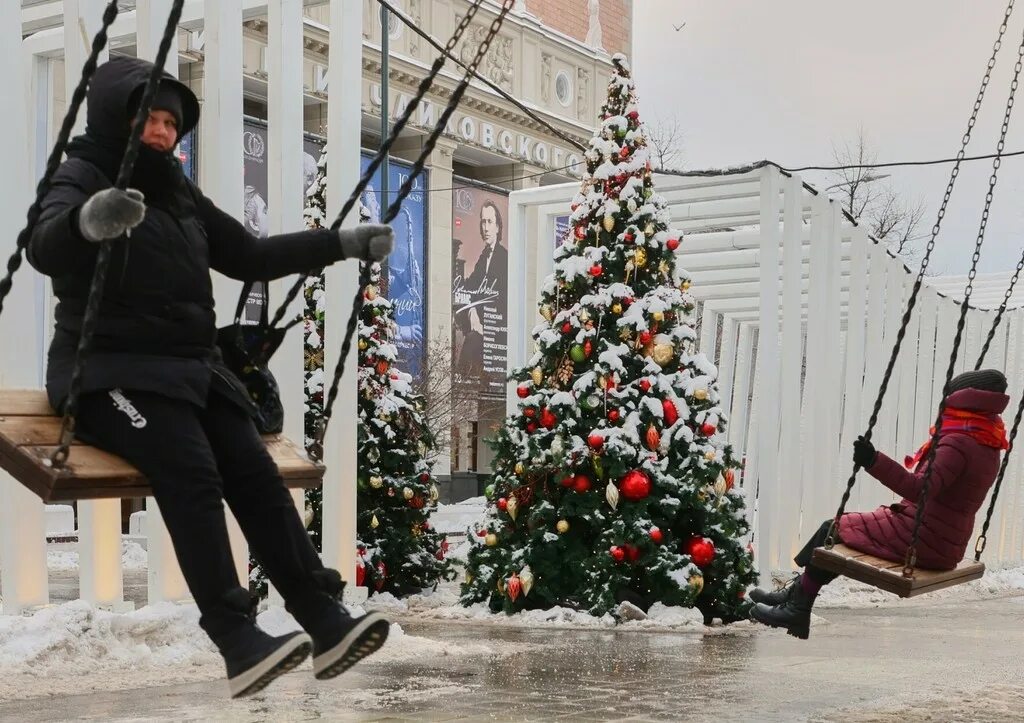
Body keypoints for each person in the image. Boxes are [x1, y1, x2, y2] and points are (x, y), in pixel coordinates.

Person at [28, 57, 395, 698]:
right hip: (105, 374)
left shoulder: (178, 194)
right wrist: (90, 221)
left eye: (173, 123)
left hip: (191, 373)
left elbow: (248, 254)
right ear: (119, 116)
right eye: (152, 119)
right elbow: (42, 244)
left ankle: (324, 618)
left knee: (252, 471)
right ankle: (237, 636)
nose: (165, 133)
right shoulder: (81, 173)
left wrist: (341, 243)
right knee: (190, 469)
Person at [748, 369, 1009, 639]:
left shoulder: (958, 443)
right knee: (836, 533)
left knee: (833, 530)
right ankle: (795, 596)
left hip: (922, 540)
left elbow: (919, 488)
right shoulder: (987, 440)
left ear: (961, 401)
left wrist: (873, 460)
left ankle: (798, 607)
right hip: (943, 540)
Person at [464, 200, 507, 298]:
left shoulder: (504, 257)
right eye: (484, 222)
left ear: (497, 227)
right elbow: (471, 285)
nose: (486, 228)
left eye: (490, 222)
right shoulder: (483, 257)